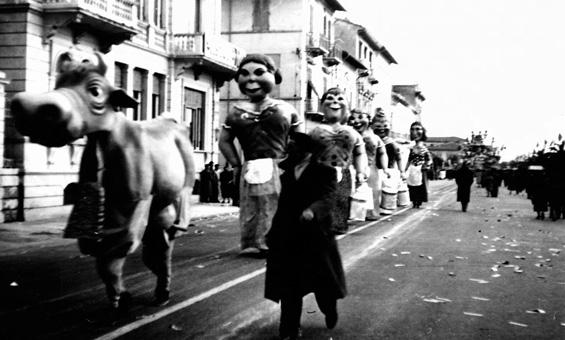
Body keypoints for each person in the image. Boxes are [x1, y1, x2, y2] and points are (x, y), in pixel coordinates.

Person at [265, 132, 346, 339]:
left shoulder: (325, 172)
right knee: (290, 284)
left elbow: (329, 197)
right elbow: (282, 208)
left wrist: (313, 210)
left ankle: (330, 309)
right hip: (290, 237)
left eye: (294, 145)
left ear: (307, 152)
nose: (289, 148)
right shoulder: (286, 175)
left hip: (317, 236)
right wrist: (272, 232)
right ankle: (289, 328)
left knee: (323, 283)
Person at [219, 54, 301, 256]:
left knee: (276, 206)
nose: (251, 79)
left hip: (280, 166)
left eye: (259, 73)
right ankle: (252, 242)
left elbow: (299, 141)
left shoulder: (286, 109)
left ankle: (274, 242)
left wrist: (295, 164)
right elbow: (224, 140)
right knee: (250, 207)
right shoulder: (236, 112)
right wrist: (236, 165)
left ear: (274, 75)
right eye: (244, 74)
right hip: (251, 165)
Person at [308, 87, 368, 234]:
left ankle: (337, 227)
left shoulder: (352, 132)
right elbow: (306, 152)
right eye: (330, 98)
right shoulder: (314, 131)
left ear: (346, 105)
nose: (335, 101)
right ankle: (320, 227)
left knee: (341, 200)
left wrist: (361, 171)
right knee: (320, 200)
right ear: (322, 105)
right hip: (320, 172)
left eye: (340, 98)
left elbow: (360, 153)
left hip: (344, 172)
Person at [347, 109, 388, 220]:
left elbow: (383, 153)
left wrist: (385, 168)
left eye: (360, 117)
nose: (356, 121)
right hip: (351, 169)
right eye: (352, 118)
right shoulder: (348, 135)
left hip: (371, 170)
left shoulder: (375, 138)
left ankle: (370, 213)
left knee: (372, 193)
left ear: (369, 120)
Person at [371, 110, 404, 215]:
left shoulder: (392, 143)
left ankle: (385, 208)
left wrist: (402, 171)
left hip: (388, 171)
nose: (381, 129)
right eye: (378, 126)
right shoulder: (371, 140)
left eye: (385, 126)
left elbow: (399, 158)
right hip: (374, 171)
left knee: (387, 192)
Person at [405, 121, 432, 208]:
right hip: (412, 169)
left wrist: (427, 165)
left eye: (418, 129)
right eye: (412, 129)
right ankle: (414, 200)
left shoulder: (424, 148)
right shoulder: (412, 148)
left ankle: (419, 201)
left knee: (420, 186)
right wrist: (405, 169)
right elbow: (409, 159)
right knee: (411, 185)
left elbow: (429, 159)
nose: (414, 132)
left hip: (420, 169)